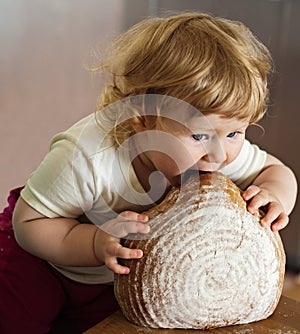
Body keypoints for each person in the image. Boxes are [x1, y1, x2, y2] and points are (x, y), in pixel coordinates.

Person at [0, 11, 297, 334]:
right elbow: (29, 224)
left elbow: (275, 171)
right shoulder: (86, 156)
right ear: (141, 119)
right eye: (198, 136)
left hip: (111, 275)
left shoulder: (214, 154)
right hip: (41, 261)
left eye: (235, 133)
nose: (220, 154)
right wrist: (95, 242)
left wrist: (275, 194)